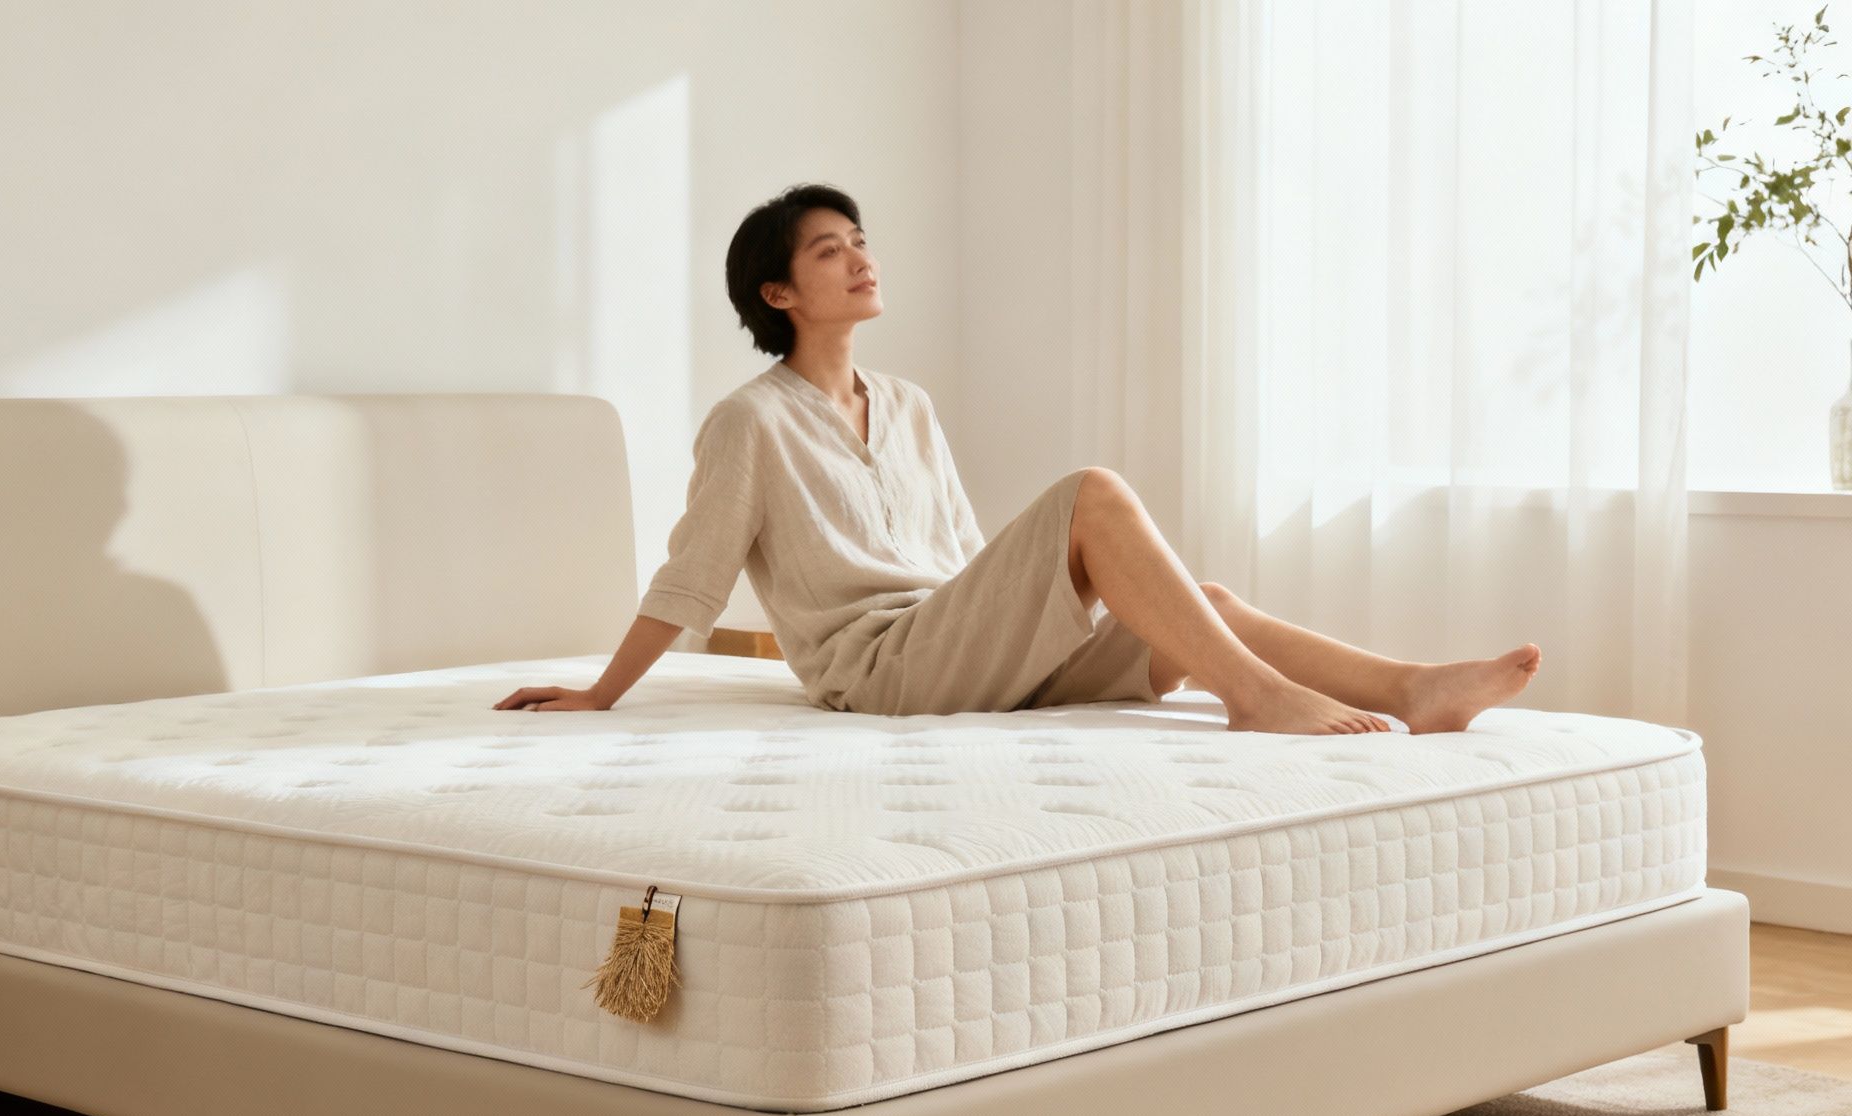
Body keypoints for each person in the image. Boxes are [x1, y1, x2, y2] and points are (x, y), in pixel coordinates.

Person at [495, 183, 1541, 734]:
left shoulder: (904, 404)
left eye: (859, 239)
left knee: (1204, 602)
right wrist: (600, 693)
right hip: (883, 671)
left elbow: (959, 555)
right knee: (1092, 494)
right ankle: (1256, 697)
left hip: (958, 644)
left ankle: (1410, 688)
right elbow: (692, 577)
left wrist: (1053, 619)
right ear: (778, 294)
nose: (860, 258)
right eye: (828, 250)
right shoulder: (748, 422)